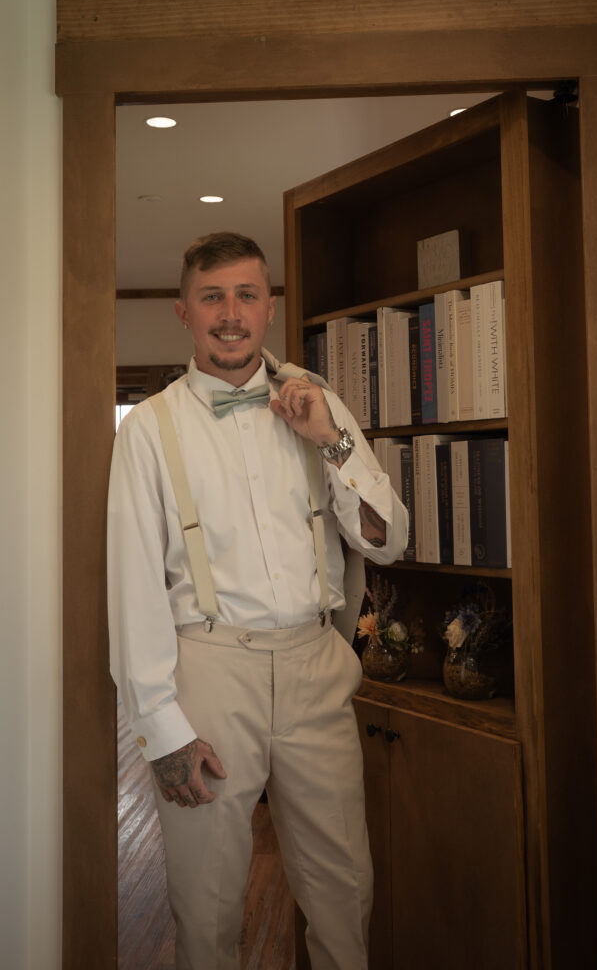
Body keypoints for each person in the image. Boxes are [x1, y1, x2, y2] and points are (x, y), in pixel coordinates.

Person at [107, 231, 409, 970]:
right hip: (209, 667)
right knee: (206, 899)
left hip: (313, 664)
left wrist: (329, 440)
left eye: (246, 294)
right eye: (212, 297)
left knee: (344, 886)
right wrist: (160, 730)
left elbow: (386, 540)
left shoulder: (319, 405)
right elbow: (132, 583)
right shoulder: (147, 430)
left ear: (269, 307)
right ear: (185, 312)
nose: (230, 313)